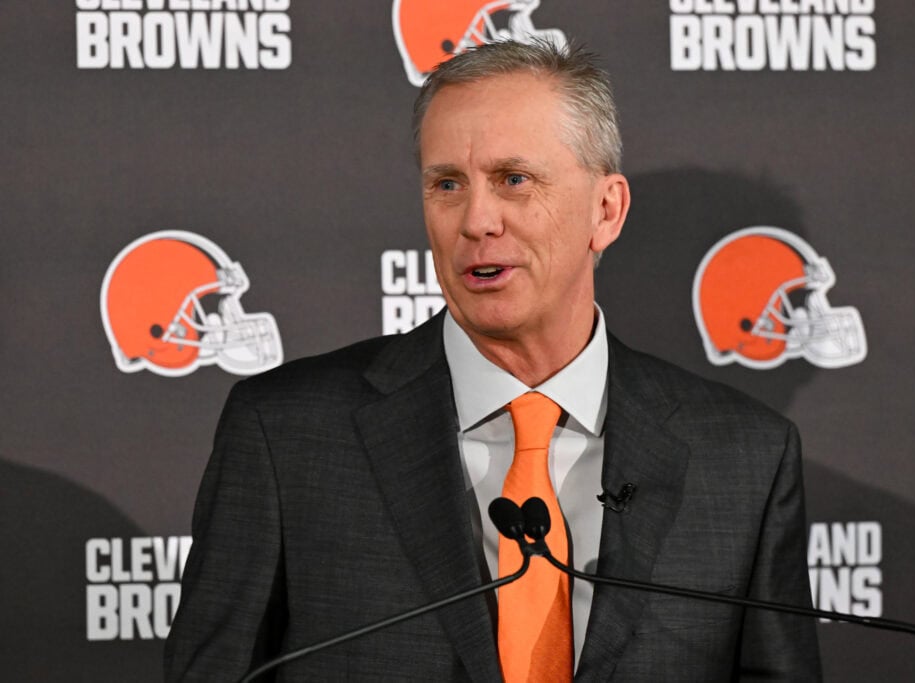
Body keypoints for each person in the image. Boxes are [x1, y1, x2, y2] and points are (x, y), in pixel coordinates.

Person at [165, 39, 821, 681]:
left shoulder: (744, 460)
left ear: (606, 210)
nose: (476, 219)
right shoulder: (288, 436)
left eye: (514, 179)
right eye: (447, 183)